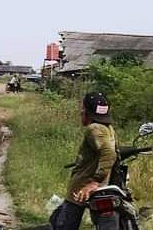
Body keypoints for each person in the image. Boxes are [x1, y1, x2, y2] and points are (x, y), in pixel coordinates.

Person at [50, 92, 118, 230]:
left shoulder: (94, 129)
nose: (80, 112)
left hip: (82, 188)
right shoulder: (108, 128)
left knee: (62, 224)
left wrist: (94, 182)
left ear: (87, 112)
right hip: (101, 186)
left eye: (82, 108)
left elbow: (109, 153)